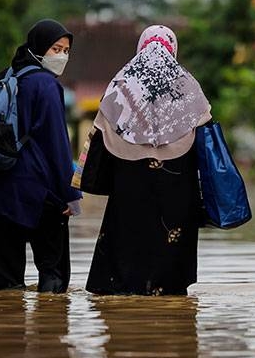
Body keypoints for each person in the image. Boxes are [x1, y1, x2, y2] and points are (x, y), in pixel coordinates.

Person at [79, 25, 211, 296]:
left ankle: (125, 308)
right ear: (173, 50)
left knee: (128, 254)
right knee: (171, 266)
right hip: (177, 195)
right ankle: (169, 302)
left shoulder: (119, 87)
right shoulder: (189, 90)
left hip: (129, 192)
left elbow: (97, 142)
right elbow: (206, 145)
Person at [0, 19, 82, 293]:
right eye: (56, 48)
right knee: (54, 284)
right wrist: (69, 194)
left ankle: (2, 333)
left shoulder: (5, 78)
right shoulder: (46, 85)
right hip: (38, 195)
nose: (62, 56)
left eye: (66, 50)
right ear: (39, 49)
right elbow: (57, 145)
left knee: (2, 292)